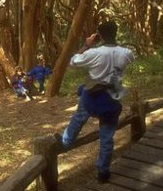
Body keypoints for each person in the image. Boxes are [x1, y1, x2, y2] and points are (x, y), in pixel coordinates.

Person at [54, 21, 134, 183]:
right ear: (116, 33)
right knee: (107, 139)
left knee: (79, 116)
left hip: (92, 100)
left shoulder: (94, 53)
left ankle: (66, 141)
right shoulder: (126, 53)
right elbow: (129, 59)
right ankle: (103, 172)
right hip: (112, 100)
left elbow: (73, 61)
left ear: (100, 35)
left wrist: (86, 44)